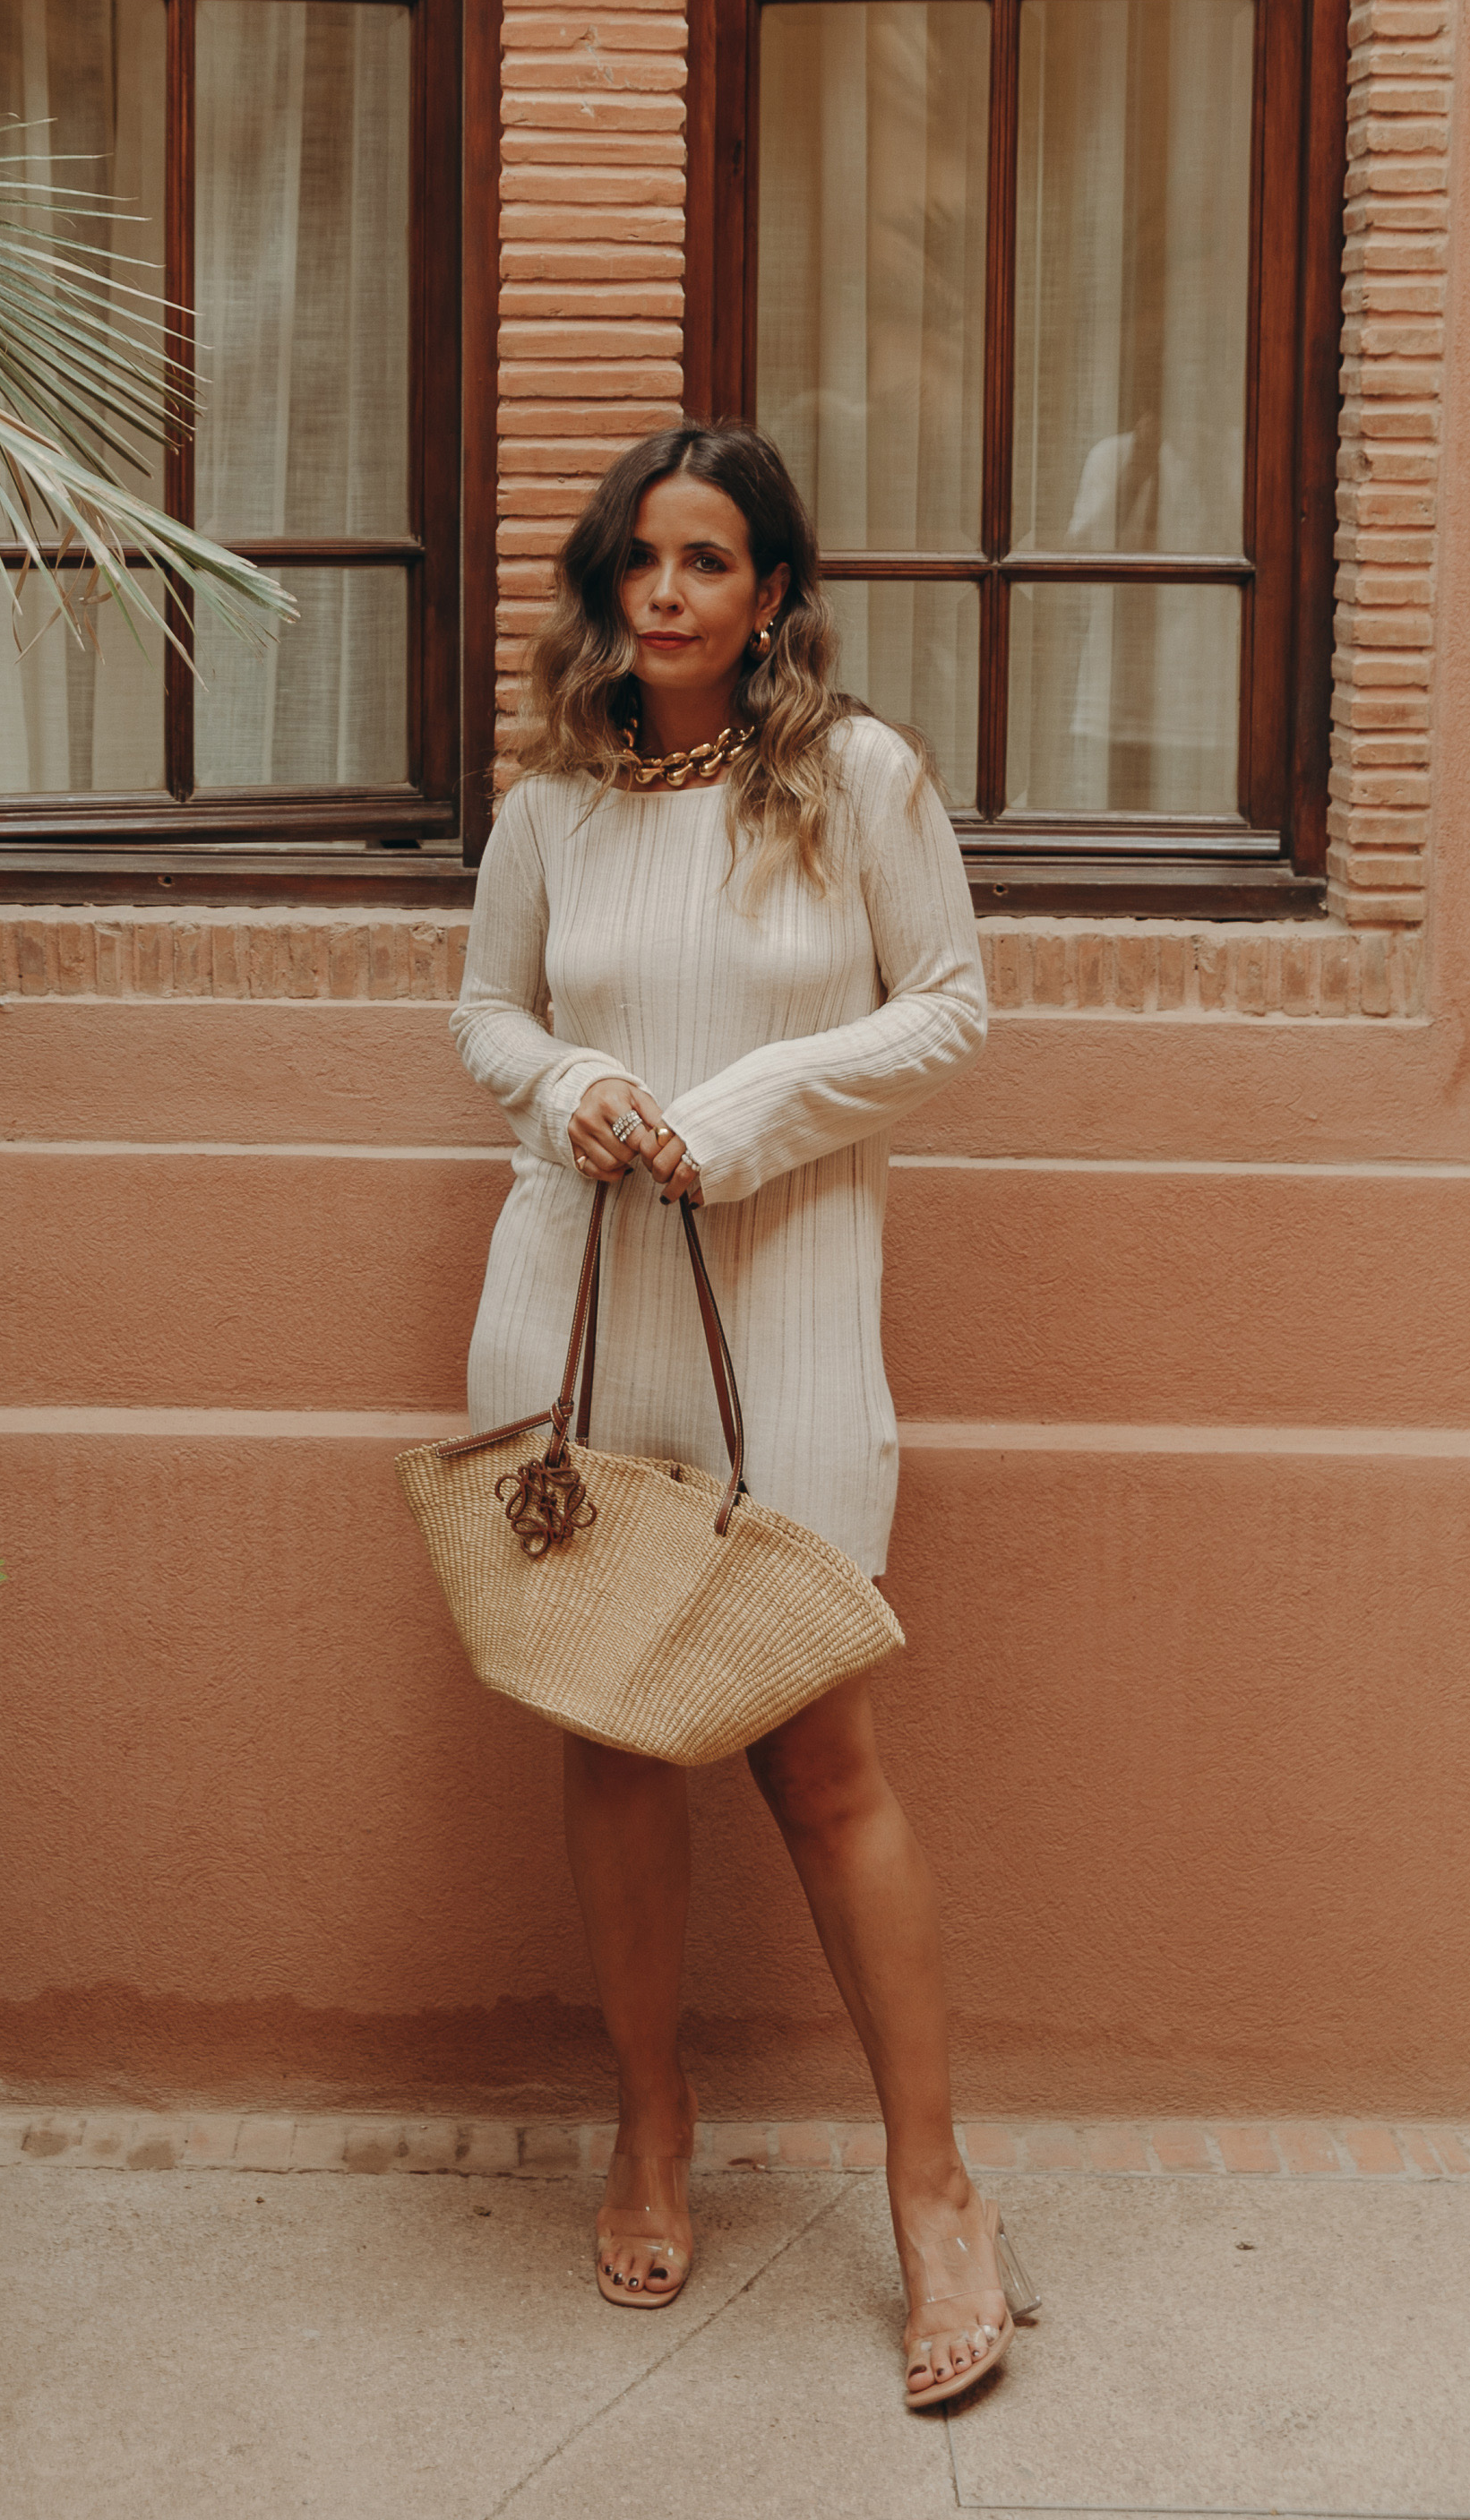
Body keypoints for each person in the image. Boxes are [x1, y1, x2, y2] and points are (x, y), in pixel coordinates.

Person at [450, 421, 1027, 2412]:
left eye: (712, 561)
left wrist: (743, 1114)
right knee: (616, 1747)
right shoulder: (555, 800)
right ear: (610, 588)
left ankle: (934, 2184)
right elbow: (488, 1018)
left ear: (775, 593)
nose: (672, 592)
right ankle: (652, 2126)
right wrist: (572, 1090)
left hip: (783, 1323)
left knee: (823, 1765)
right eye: (643, 560)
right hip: (585, 1310)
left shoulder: (858, 780)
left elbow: (949, 1003)